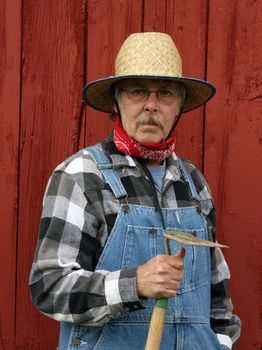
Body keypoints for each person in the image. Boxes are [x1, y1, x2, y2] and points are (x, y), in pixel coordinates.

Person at [30, 32, 241, 350]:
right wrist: (134, 284)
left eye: (165, 94)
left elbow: (218, 298)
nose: (151, 105)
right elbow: (50, 287)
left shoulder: (193, 183)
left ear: (180, 105)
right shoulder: (83, 175)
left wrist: (220, 344)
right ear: (116, 101)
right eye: (138, 92)